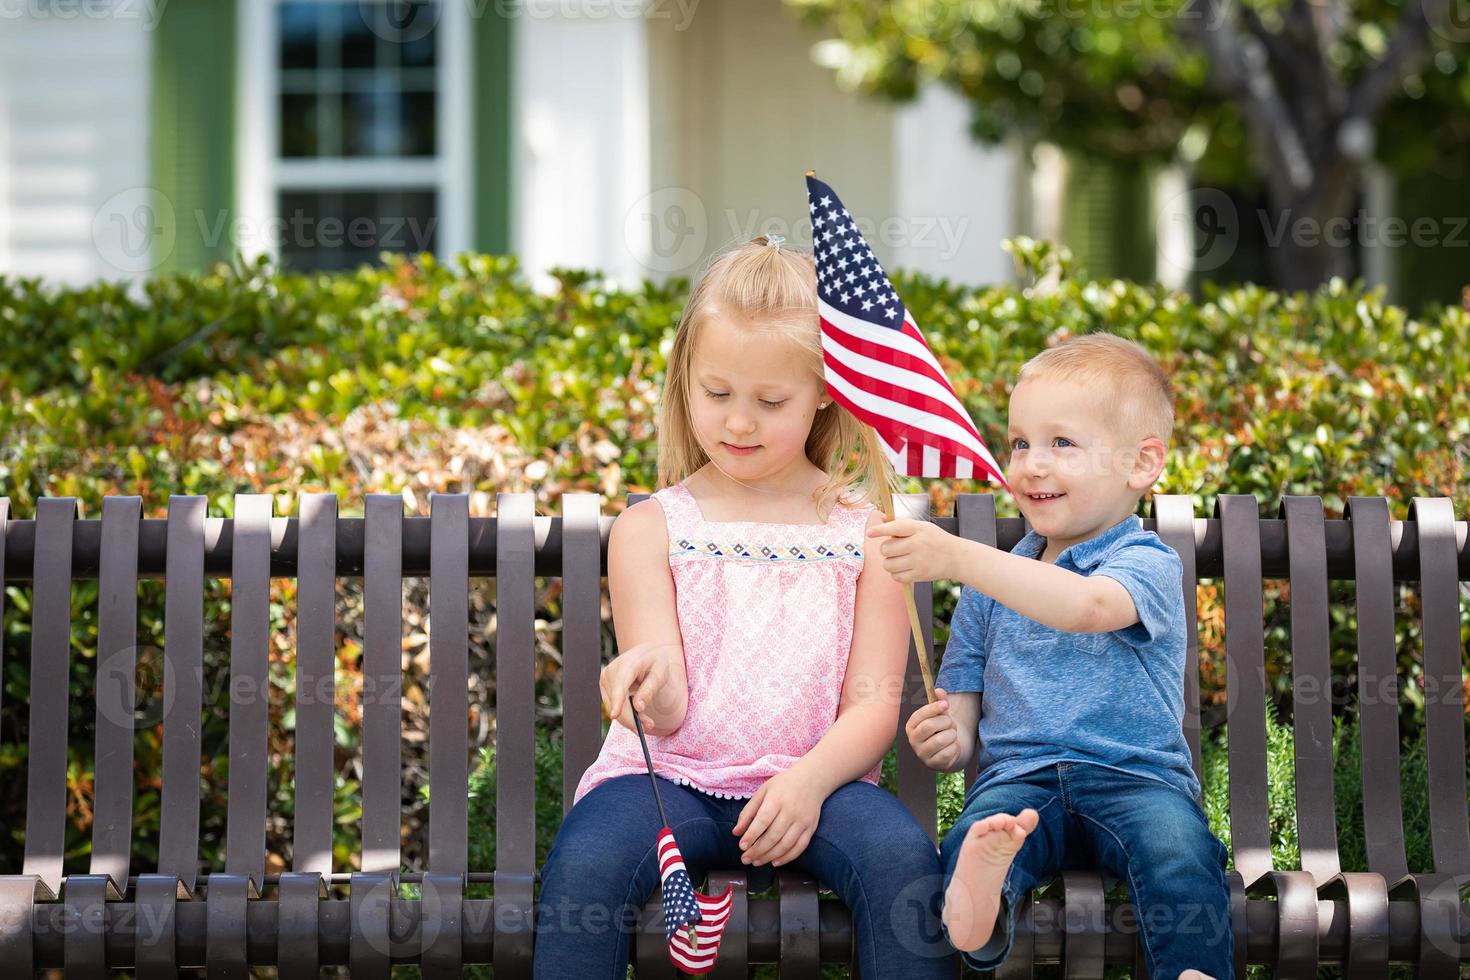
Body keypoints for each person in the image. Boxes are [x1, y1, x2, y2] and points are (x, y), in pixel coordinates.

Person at [532, 236, 955, 978]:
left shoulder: (866, 534)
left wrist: (808, 781)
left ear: (826, 388)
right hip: (670, 780)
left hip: (818, 786)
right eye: (716, 394)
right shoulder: (652, 528)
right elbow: (664, 702)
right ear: (685, 381)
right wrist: (640, 682)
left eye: (769, 401)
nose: (738, 423)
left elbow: (872, 707)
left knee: (900, 860)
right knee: (589, 860)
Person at [870, 332, 1233, 980]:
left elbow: (1088, 607)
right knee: (980, 837)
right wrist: (944, 738)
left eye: (1061, 443)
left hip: (1136, 779)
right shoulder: (993, 583)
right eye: (1019, 443)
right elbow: (962, 716)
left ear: (1142, 464)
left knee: (1179, 852)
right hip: (1021, 778)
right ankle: (977, 916)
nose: (1031, 463)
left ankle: (1192, 971)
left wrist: (958, 558)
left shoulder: (1144, 562)